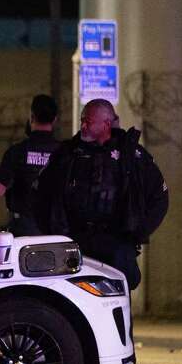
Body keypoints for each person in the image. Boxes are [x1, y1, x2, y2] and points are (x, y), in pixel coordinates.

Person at [34, 99, 169, 289]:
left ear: (106, 124)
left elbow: (160, 197)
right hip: (75, 242)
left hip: (116, 242)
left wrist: (137, 233)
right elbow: (40, 194)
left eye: (88, 121)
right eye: (82, 120)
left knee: (116, 298)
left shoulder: (132, 156)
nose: (83, 126)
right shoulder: (67, 154)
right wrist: (53, 232)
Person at [0, 94, 61, 236]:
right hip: (55, 229)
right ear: (54, 120)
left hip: (24, 228)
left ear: (32, 117)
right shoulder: (63, 152)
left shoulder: (17, 151)